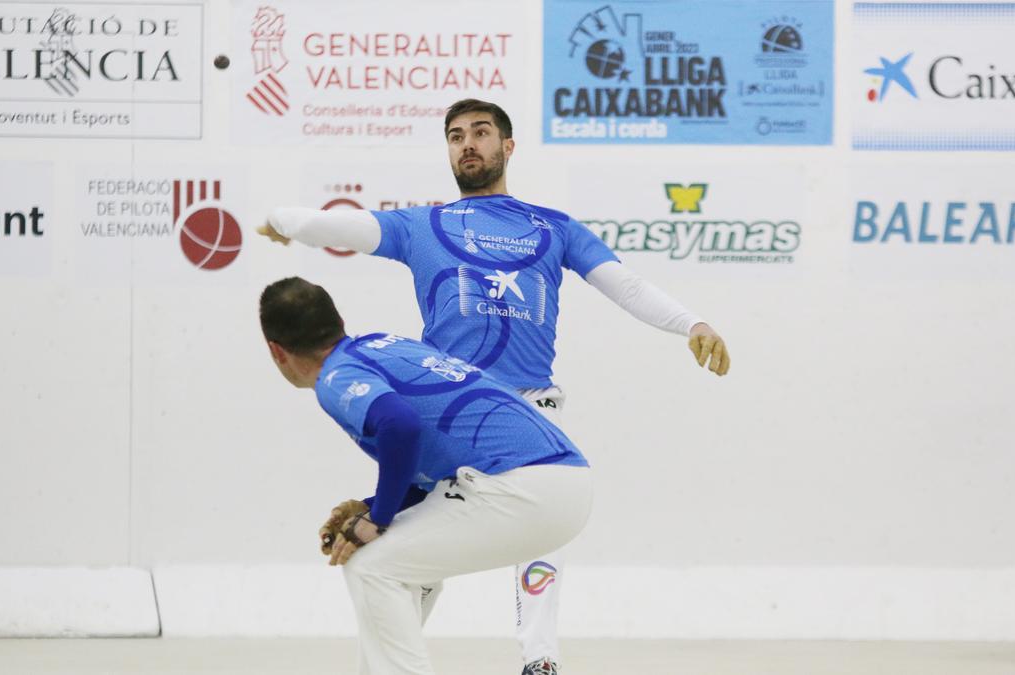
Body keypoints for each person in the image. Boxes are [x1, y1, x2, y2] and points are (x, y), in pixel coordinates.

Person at [259, 98, 729, 675]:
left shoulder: (553, 228)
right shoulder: (422, 225)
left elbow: (625, 285)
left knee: (541, 539)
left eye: (481, 133)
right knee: (400, 566)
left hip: (530, 411)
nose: (467, 144)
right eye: (456, 136)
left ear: (508, 146)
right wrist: (284, 221)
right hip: (452, 423)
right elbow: (348, 226)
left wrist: (691, 322)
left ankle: (541, 661)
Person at [259, 276, 593, 675]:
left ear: (277, 351)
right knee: (394, 562)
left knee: (372, 567)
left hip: (521, 489)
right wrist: (371, 509)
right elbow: (431, 462)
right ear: (338, 320)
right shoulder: (384, 345)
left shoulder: (336, 376)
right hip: (565, 481)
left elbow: (401, 427)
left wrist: (379, 518)